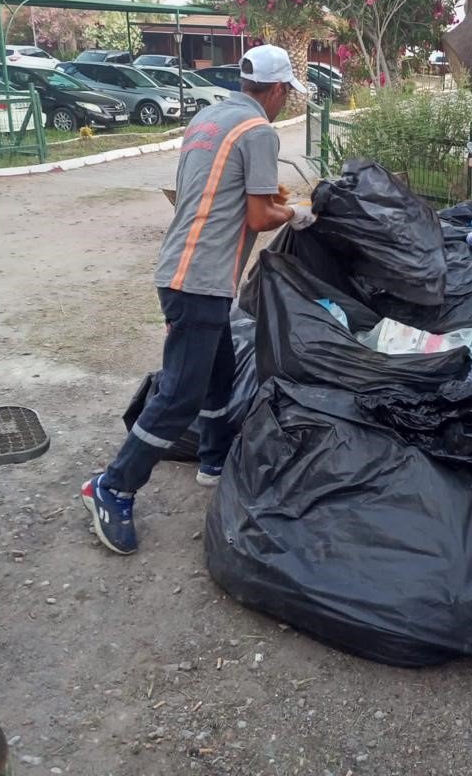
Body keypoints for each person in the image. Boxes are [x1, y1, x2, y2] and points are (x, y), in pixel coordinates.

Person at [81, 44, 316, 555]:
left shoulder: (210, 119)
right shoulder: (258, 132)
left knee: (221, 373)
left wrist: (272, 201)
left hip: (182, 265)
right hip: (200, 280)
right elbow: (257, 217)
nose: (284, 104)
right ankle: (113, 486)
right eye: (286, 95)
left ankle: (212, 460)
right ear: (276, 90)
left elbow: (221, 191)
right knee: (181, 393)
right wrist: (296, 214)